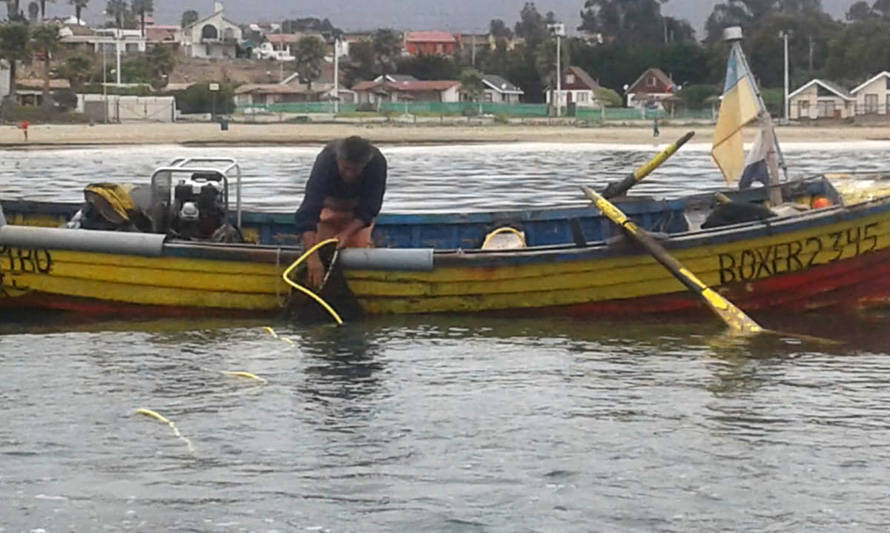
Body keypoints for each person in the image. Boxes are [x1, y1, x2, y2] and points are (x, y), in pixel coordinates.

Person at [294, 136, 387, 288]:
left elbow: (370, 208)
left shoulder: (377, 163)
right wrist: (312, 258)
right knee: (322, 252)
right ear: (337, 159)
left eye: (355, 170)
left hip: (356, 215)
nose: (349, 175)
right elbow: (308, 211)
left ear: (364, 165)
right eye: (345, 168)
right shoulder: (325, 160)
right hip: (327, 210)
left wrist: (346, 233)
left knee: (358, 252)